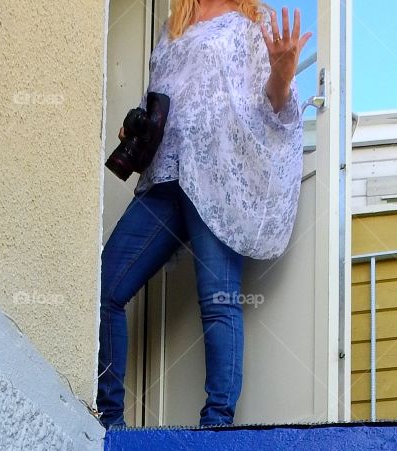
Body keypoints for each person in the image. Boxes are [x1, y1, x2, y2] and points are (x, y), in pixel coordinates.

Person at [96, 2, 311, 428]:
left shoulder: (254, 21)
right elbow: (165, 95)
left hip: (219, 178)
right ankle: (109, 420)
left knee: (219, 303)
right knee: (106, 288)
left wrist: (283, 74)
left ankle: (216, 426)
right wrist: (136, 125)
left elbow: (271, 106)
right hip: (167, 175)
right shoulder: (174, 22)